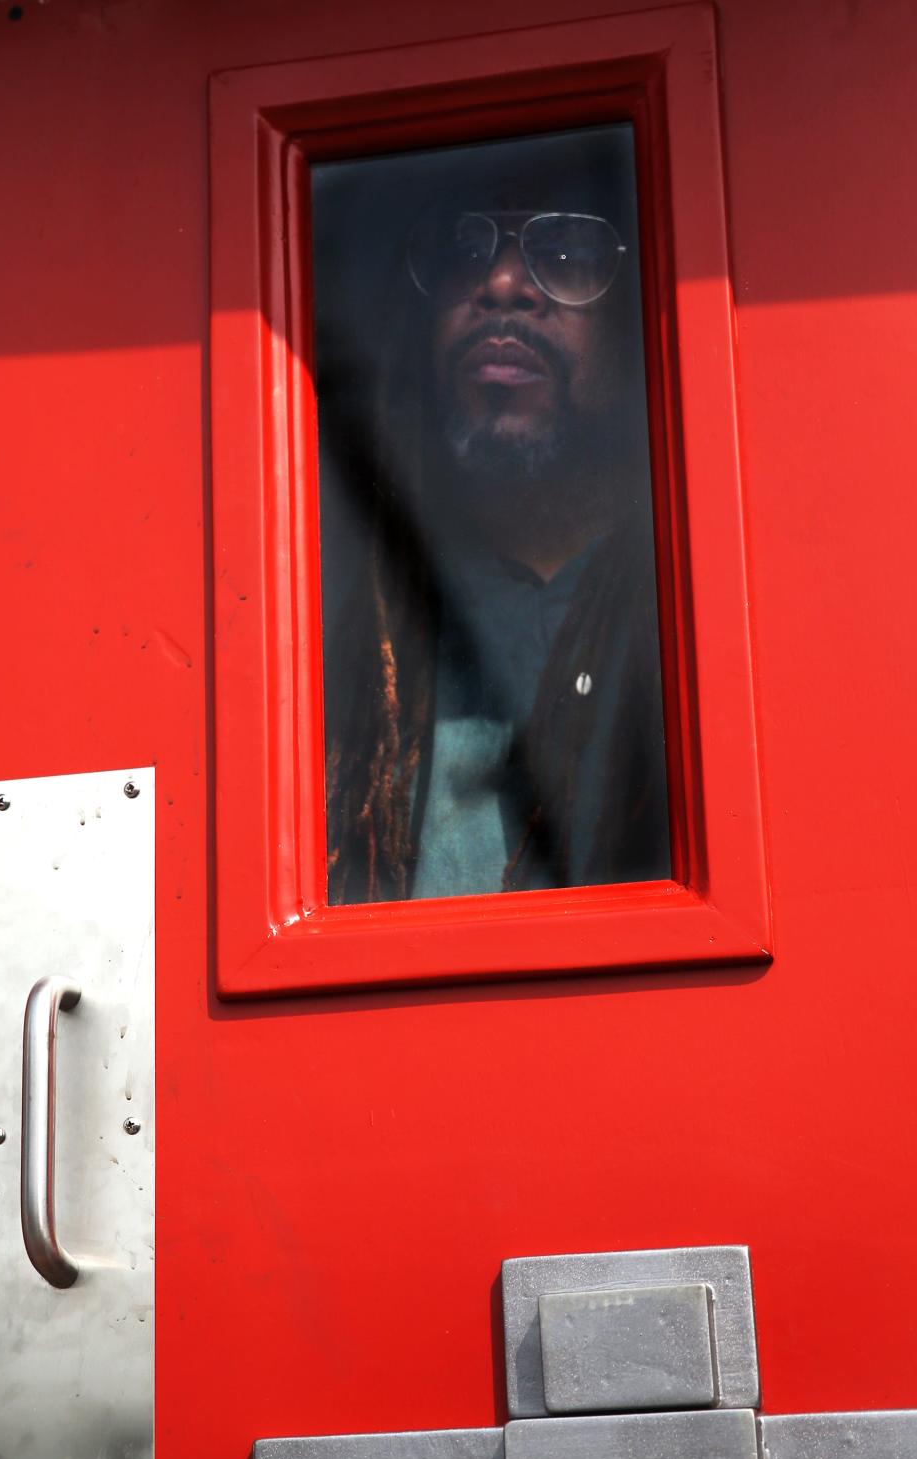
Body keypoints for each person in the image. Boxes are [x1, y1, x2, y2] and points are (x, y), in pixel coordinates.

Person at [314, 127, 671, 904]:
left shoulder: (693, 609)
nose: (504, 283)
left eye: (569, 255)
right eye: (462, 250)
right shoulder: (336, 621)